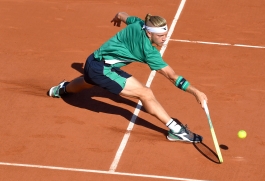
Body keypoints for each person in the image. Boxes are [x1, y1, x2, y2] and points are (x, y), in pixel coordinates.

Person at [48, 12, 208, 143]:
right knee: (145, 93)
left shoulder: (138, 24)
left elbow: (123, 15)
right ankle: (176, 131)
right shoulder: (148, 51)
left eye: (165, 34)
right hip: (101, 70)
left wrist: (118, 16)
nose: (165, 39)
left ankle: (62, 89)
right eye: (160, 36)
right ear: (148, 33)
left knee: (87, 81)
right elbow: (172, 77)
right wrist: (196, 92)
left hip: (93, 61)